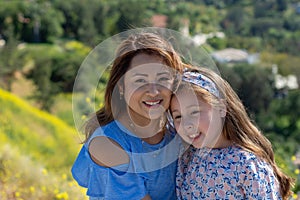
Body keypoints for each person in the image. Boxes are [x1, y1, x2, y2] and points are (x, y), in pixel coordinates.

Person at [71, 31, 184, 200]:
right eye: (140, 81)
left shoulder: (177, 130)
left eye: (162, 78)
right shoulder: (107, 144)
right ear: (121, 86)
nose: (153, 91)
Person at [169, 66, 294, 199]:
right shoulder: (188, 157)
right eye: (178, 117)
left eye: (194, 112)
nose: (187, 125)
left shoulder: (247, 164)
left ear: (221, 108)